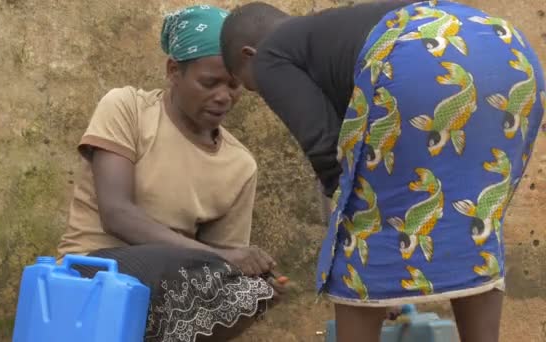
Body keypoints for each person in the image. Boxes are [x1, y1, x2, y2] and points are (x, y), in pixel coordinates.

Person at [220, 1, 545, 341]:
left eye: (251, 87)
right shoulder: (332, 38)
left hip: (415, 54)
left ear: (249, 54)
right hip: (506, 49)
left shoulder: (271, 54)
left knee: (360, 234)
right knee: (474, 222)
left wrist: (359, 252)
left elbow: (326, 151)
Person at [56, 5, 288, 342]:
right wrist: (223, 259)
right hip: (93, 271)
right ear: (173, 71)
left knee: (253, 290)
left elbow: (220, 269)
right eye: (209, 83)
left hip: (171, 280)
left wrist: (251, 279)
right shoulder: (127, 109)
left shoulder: (240, 165)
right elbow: (117, 215)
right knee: (175, 266)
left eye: (234, 85)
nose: (223, 97)